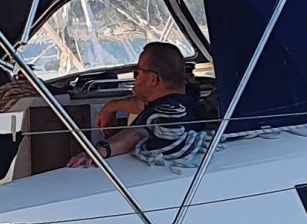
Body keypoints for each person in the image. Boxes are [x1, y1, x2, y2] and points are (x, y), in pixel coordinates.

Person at [70, 41, 206, 167]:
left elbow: (139, 134)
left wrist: (98, 151)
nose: (135, 78)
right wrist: (111, 106)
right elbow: (139, 104)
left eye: (137, 73)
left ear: (153, 79)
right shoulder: (189, 100)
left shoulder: (170, 113)